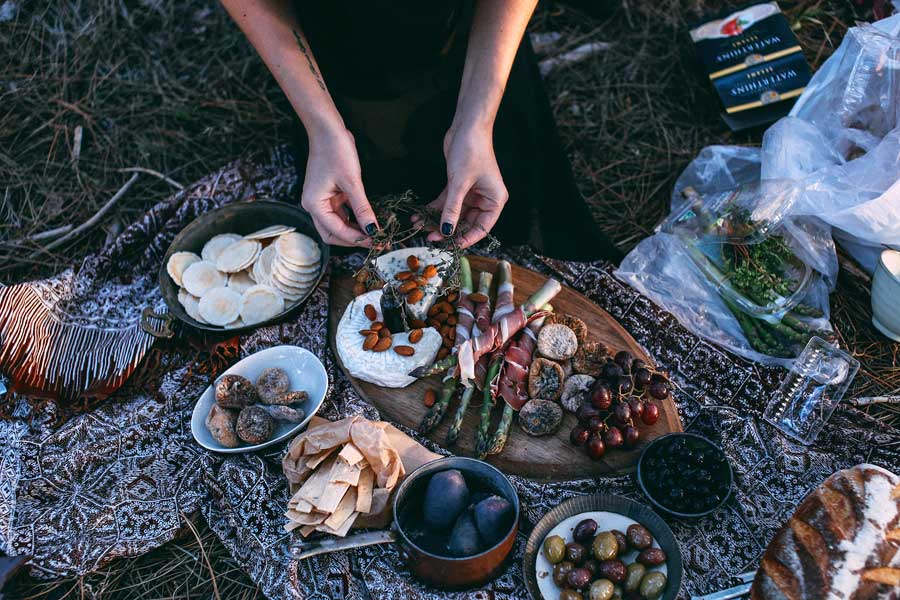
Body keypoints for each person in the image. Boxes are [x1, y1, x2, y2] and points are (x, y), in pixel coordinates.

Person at [220, 0, 622, 261]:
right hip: (332, 45)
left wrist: (476, 122)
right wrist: (324, 129)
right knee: (358, 222)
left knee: (516, 216)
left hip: (473, 30)